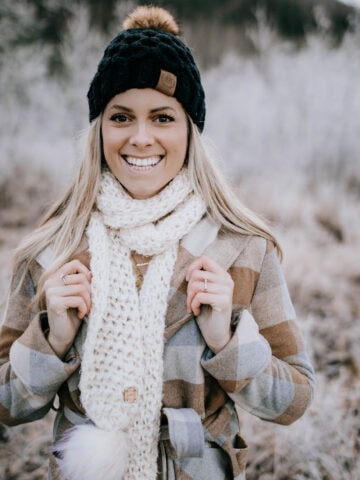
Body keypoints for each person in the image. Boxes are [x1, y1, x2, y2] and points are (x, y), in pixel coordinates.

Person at [0, 5, 315, 480]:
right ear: (99, 129)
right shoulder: (52, 250)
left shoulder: (242, 248)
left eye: (163, 117)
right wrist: (52, 339)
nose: (141, 138)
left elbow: (294, 400)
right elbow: (6, 405)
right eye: (121, 116)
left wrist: (227, 340)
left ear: (190, 130)